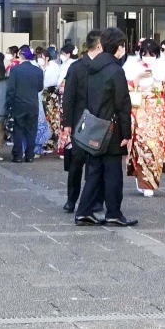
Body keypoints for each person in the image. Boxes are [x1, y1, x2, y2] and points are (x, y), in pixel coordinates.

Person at [74, 27, 136, 227]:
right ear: (119, 47)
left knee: (94, 171)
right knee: (113, 173)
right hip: (112, 127)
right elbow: (122, 104)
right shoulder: (116, 70)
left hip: (94, 126)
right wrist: (126, 133)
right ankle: (114, 212)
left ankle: (84, 210)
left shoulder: (92, 68)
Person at [124, 39, 165, 196]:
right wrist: (137, 80)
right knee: (141, 147)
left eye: (151, 54)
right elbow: (124, 90)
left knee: (156, 149)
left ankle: (149, 181)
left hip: (158, 115)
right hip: (139, 113)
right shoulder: (131, 68)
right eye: (144, 54)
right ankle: (143, 180)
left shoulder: (164, 70)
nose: (148, 57)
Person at [62, 30, 103, 213]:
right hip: (80, 121)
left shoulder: (105, 66)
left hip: (100, 120)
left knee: (96, 164)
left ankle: (94, 200)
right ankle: (72, 199)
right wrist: (67, 123)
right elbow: (68, 97)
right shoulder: (77, 67)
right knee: (77, 162)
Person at [6, 46, 44, 163]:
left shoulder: (15, 70)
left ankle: (17, 155)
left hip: (18, 103)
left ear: (20, 55)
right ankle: (30, 155)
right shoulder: (38, 70)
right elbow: (40, 87)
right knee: (32, 130)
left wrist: (9, 104)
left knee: (18, 129)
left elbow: (11, 89)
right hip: (33, 104)